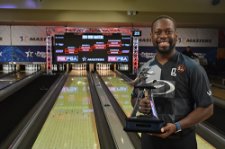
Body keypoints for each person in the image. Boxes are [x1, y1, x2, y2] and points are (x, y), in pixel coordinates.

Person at [131, 15, 213, 149]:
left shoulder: (193, 68)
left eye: (168, 31)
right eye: (158, 32)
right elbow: (134, 98)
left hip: (182, 141)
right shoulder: (144, 69)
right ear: (151, 36)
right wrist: (140, 105)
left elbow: (207, 108)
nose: (163, 36)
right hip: (150, 140)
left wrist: (177, 126)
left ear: (176, 36)